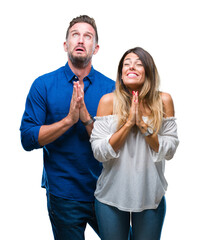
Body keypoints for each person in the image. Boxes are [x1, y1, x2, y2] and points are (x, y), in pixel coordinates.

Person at [20, 15, 115, 240]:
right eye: (75, 35)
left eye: (87, 36)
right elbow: (27, 138)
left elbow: (115, 145)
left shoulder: (111, 89)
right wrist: (68, 121)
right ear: (66, 45)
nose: (81, 40)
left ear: (96, 47)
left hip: (106, 192)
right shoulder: (43, 85)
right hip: (63, 194)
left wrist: (85, 119)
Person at [90, 47, 179, 240]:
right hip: (110, 198)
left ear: (148, 71)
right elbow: (98, 151)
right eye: (127, 64)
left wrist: (143, 125)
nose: (132, 67)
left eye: (139, 63)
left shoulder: (164, 100)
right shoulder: (108, 101)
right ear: (121, 74)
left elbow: (170, 149)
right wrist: (129, 124)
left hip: (151, 198)